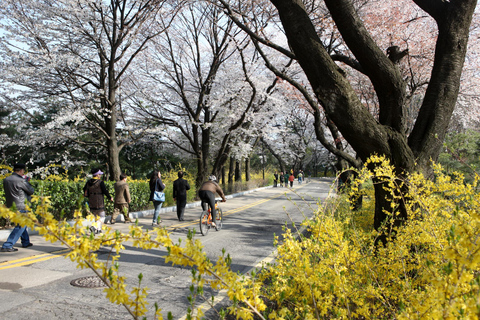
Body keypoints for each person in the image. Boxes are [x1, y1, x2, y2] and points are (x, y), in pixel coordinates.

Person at [1, 163, 34, 252]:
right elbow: (31, 191)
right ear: (21, 170)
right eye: (23, 171)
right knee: (21, 226)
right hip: (21, 205)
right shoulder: (21, 180)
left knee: (21, 224)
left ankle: (26, 242)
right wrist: (27, 181)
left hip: (12, 206)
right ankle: (8, 245)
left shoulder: (6, 180)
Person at [83, 168, 113, 233]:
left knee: (95, 215)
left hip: (91, 200)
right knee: (102, 215)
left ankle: (98, 229)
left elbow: (84, 189)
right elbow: (105, 191)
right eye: (100, 174)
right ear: (97, 175)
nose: (100, 175)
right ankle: (94, 227)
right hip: (99, 200)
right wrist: (109, 197)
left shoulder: (88, 182)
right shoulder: (100, 182)